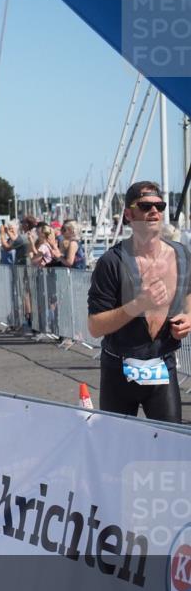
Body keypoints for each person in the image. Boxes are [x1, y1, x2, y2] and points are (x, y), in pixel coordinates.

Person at [88, 181, 191, 423]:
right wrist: (138, 304)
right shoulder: (111, 262)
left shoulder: (181, 255)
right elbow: (94, 326)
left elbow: (188, 295)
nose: (154, 211)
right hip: (119, 368)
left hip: (162, 365)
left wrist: (189, 318)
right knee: (117, 448)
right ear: (128, 214)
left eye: (159, 206)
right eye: (145, 206)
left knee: (169, 444)